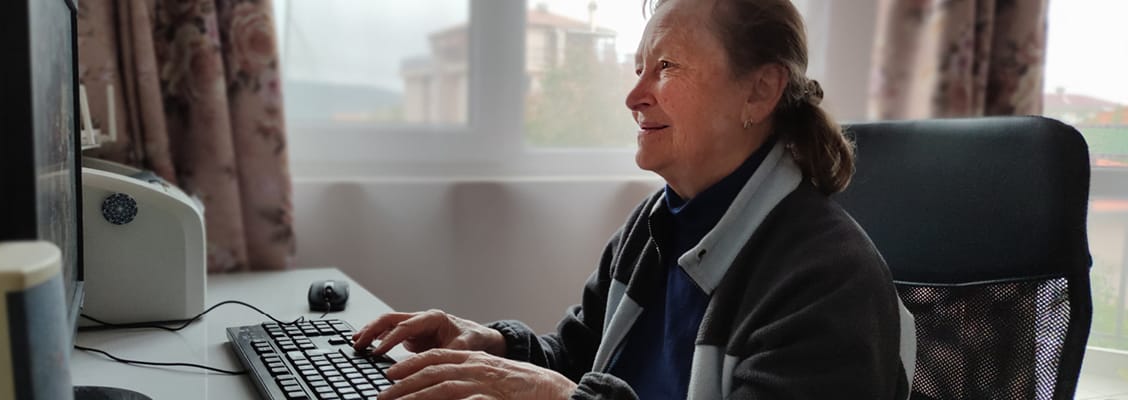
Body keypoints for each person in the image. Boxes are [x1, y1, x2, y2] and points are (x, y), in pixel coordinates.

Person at [353, 0, 913, 398]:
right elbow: (578, 359)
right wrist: (494, 347)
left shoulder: (829, 281)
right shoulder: (655, 223)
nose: (633, 96)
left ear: (760, 90)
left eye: (665, 66)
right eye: (638, 67)